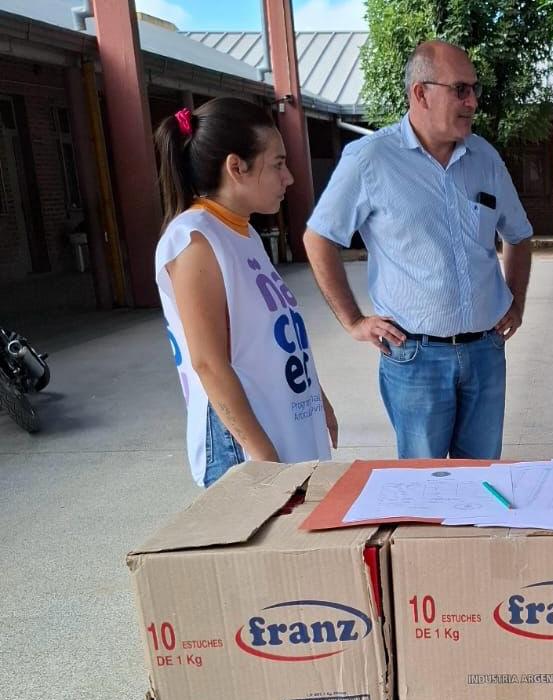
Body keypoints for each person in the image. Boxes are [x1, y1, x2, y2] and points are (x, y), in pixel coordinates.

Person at [304, 40, 533, 460]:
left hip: (485, 352)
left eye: (474, 90)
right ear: (420, 93)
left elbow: (518, 234)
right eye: (460, 90)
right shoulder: (369, 159)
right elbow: (319, 237)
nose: (473, 102)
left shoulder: (485, 158)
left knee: (482, 478)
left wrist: (514, 302)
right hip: (415, 358)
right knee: (424, 486)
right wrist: (354, 320)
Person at [153, 97, 335, 488]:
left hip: (281, 425)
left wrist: (319, 402)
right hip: (246, 445)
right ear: (236, 167)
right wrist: (263, 459)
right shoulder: (194, 240)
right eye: (278, 164)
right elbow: (209, 363)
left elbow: (274, 337)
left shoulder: (242, 231)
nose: (289, 178)